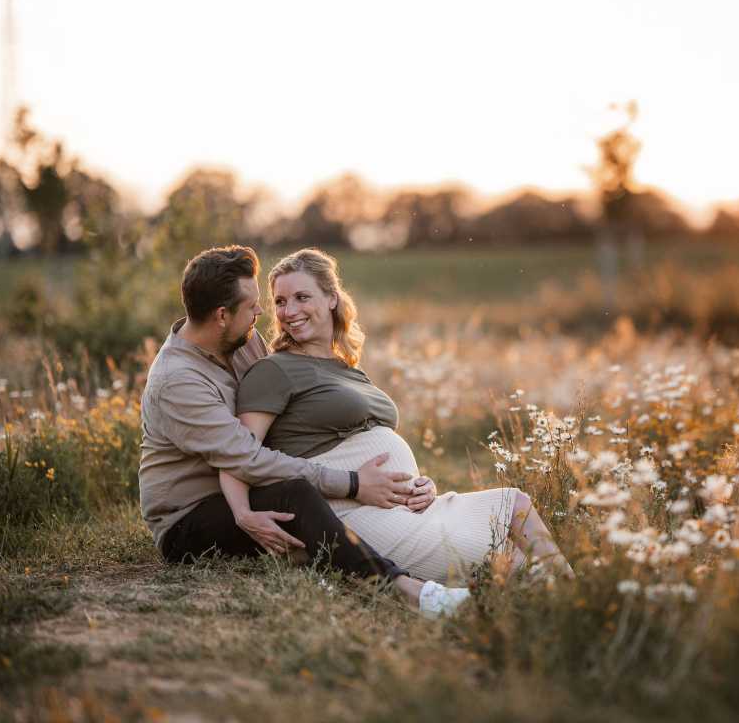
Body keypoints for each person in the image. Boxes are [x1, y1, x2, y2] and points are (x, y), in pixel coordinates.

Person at [138, 245, 469, 618]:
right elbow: (246, 456)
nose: (262, 313)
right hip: (190, 519)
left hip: (244, 490)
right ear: (220, 315)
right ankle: (407, 590)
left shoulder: (242, 343)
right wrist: (353, 483)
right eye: (251, 306)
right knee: (297, 493)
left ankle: (334, 562)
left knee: (301, 491)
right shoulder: (178, 380)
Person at [219, 247, 573, 585]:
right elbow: (240, 454)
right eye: (280, 301)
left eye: (301, 297)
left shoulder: (347, 368)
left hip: (406, 507)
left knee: (516, 505)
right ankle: (564, 607)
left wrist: (420, 484)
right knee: (509, 565)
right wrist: (241, 514)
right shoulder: (273, 371)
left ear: (331, 298)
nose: (288, 310)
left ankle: (576, 599)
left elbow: (378, 444)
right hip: (346, 512)